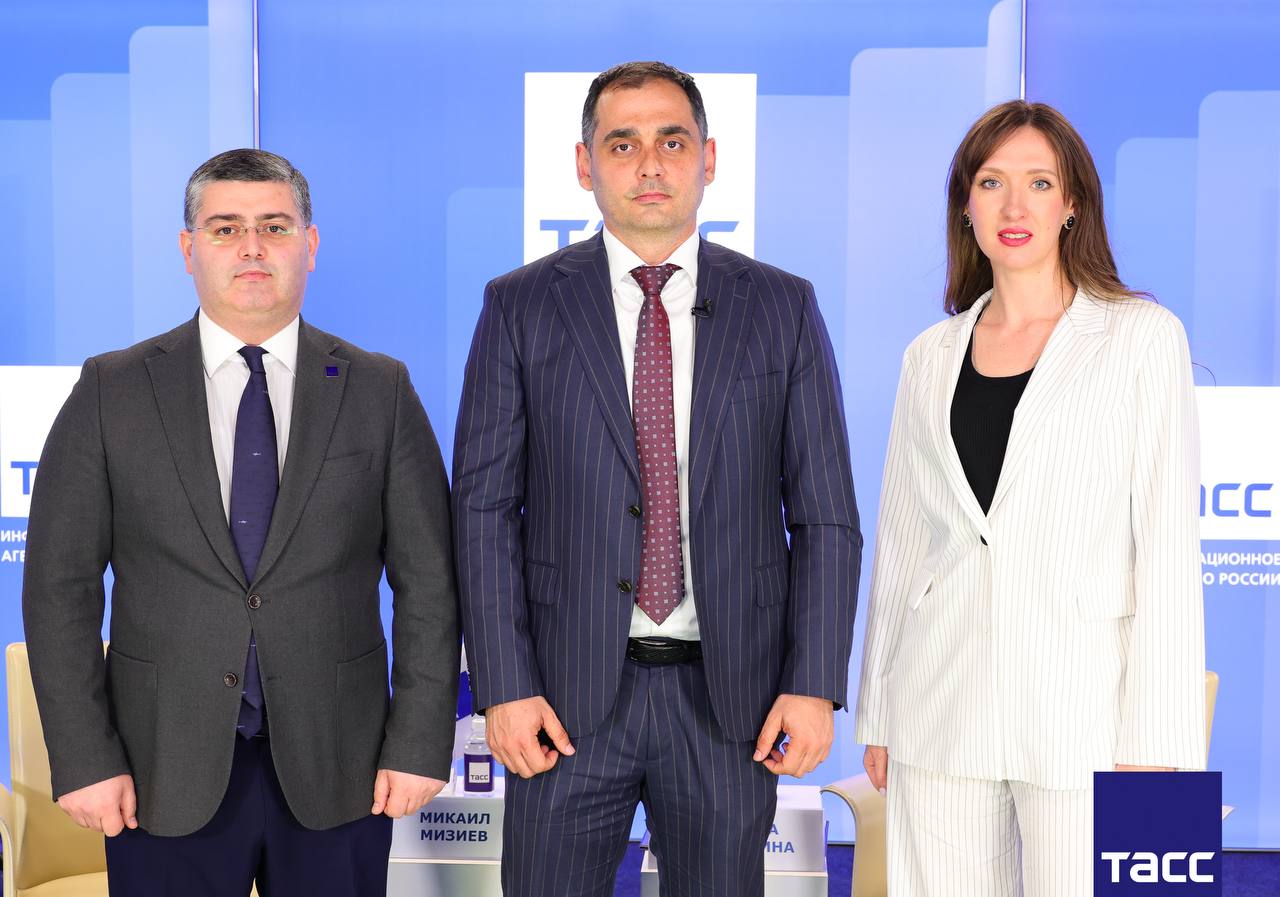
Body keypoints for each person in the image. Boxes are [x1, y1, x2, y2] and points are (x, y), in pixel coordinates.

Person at [453, 61, 860, 896]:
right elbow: (484, 509)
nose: (649, 164)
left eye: (672, 142)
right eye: (622, 143)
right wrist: (505, 686)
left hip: (732, 701)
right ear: (584, 164)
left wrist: (814, 682)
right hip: (561, 702)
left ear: (708, 159)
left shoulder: (782, 306)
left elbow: (825, 516)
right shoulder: (520, 305)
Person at [22, 148, 459, 897]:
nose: (252, 247)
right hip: (159, 769)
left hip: (341, 766)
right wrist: (86, 757)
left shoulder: (379, 388)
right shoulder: (111, 389)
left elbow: (429, 584)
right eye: (225, 228)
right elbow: (59, 587)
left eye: (275, 226)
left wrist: (419, 742)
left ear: (309, 245)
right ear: (188, 247)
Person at [854, 100, 1206, 895]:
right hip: (938, 704)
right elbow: (903, 543)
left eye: (1039, 183)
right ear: (966, 204)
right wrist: (877, 711)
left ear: (1072, 202)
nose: (1015, 206)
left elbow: (1166, 548)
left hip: (1088, 713)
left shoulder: (1142, 337)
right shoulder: (928, 355)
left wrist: (1157, 740)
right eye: (992, 183)